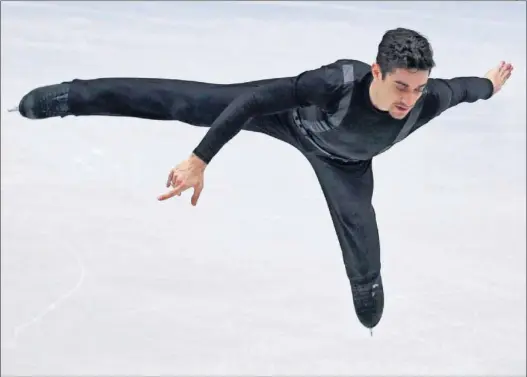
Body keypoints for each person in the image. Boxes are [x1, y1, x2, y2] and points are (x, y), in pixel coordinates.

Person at [11, 28, 513, 331]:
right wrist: (201, 158)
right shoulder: (334, 83)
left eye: (418, 88)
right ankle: (70, 97)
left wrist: (491, 82)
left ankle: (366, 294)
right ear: (377, 71)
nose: (409, 97)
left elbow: (470, 89)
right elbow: (252, 102)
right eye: (401, 85)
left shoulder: (429, 99)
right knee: (185, 101)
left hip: (346, 165)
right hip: (285, 116)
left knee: (362, 241)